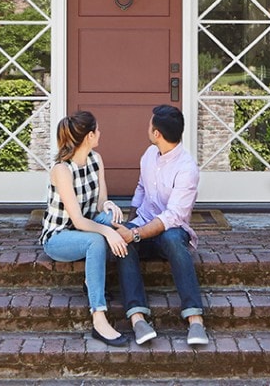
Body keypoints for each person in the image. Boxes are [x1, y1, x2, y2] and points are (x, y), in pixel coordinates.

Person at [114, 104, 209, 346]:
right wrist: (131, 223)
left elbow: (173, 217)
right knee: (123, 246)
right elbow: (141, 189)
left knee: (172, 239)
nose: (147, 128)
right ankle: (138, 318)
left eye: (150, 125)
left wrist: (135, 233)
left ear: (157, 133)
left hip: (171, 232)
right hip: (144, 226)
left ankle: (195, 320)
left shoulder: (187, 169)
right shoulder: (148, 155)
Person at [39, 110, 130, 346]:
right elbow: (78, 221)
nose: (100, 133)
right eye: (97, 130)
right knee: (98, 240)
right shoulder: (62, 170)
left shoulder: (95, 160)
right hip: (59, 236)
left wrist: (109, 207)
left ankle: (101, 282)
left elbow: (99, 204)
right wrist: (106, 231)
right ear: (89, 136)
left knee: (116, 223)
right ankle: (99, 318)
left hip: (85, 226)